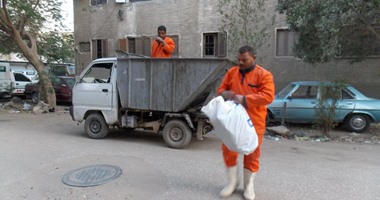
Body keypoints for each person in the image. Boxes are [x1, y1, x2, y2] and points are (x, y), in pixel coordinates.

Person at [217, 45, 275, 200]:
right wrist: (224, 93)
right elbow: (221, 89)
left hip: (254, 123)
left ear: (254, 58)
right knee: (229, 150)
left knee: (252, 154)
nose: (240, 63)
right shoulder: (232, 72)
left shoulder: (264, 75)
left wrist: (245, 99)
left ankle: (248, 186)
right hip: (233, 122)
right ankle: (232, 183)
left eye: (245, 60)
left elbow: (268, 96)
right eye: (239, 59)